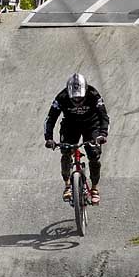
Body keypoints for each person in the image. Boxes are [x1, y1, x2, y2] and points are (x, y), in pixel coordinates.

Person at [44, 73, 110, 205]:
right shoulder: (61, 97)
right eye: (74, 99)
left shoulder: (93, 94)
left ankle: (94, 188)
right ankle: (67, 185)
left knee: (94, 155)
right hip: (70, 125)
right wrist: (49, 138)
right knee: (65, 152)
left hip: (91, 125)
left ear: (85, 91)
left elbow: (104, 116)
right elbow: (50, 119)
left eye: (80, 98)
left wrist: (103, 134)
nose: (77, 102)